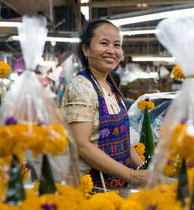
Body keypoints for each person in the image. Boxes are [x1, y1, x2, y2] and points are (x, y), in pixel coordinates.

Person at [61, 20, 149, 188]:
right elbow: (82, 145)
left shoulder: (110, 87)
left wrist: (144, 169)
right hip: (90, 189)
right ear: (86, 50)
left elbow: (122, 140)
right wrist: (134, 177)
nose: (111, 51)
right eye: (103, 43)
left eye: (117, 45)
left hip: (114, 187)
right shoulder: (81, 86)